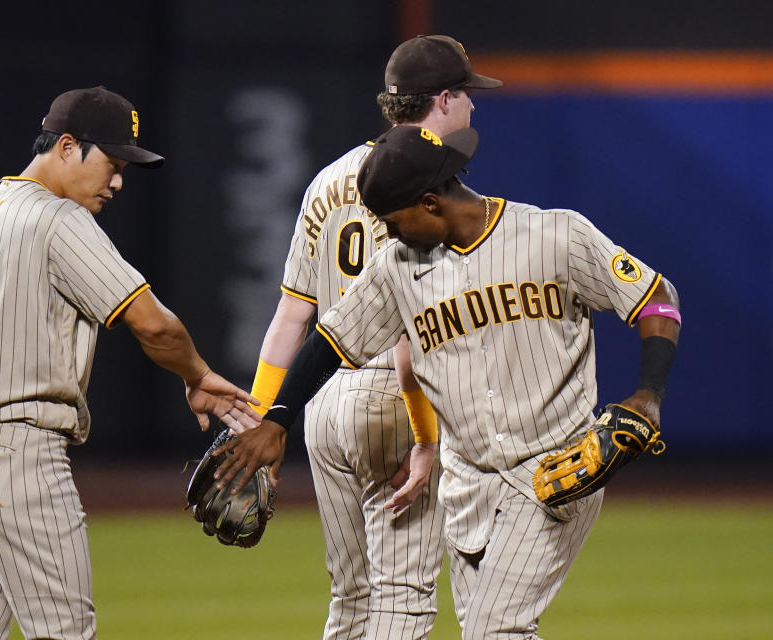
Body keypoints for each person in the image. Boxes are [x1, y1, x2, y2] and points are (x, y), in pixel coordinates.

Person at [215, 124, 681, 639]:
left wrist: (648, 394)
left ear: (431, 202)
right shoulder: (397, 267)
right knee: (489, 632)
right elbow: (330, 338)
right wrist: (278, 418)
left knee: (496, 631)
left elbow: (657, 298)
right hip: (466, 487)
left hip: (554, 473)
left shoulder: (555, 235)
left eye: (394, 222)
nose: (389, 235)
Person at [0, 86, 260, 639]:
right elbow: (153, 323)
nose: (118, 181)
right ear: (67, 146)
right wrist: (197, 375)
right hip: (17, 454)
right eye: (112, 164)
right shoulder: (57, 219)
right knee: (65, 632)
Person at [244, 35, 501, 639]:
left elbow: (290, 317)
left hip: (323, 403)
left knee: (351, 600)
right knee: (403, 600)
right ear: (441, 100)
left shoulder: (328, 179)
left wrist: (262, 419)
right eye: (466, 95)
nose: (472, 107)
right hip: (394, 395)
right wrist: (424, 431)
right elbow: (412, 325)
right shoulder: (429, 182)